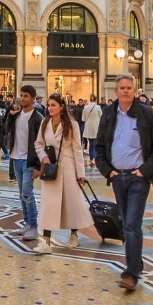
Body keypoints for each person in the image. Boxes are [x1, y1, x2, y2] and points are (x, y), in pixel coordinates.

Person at [95, 74, 153, 293]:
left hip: (138, 179)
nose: (125, 91)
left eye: (129, 87)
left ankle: (131, 273)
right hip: (118, 178)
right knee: (126, 223)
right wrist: (108, 171)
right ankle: (136, 263)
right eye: (121, 88)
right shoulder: (108, 115)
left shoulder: (148, 115)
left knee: (131, 224)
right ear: (115, 91)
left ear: (134, 90)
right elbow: (99, 147)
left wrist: (144, 171)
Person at [31, 93, 95, 253]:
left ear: (61, 106)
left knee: (71, 202)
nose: (50, 108)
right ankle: (46, 241)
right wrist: (43, 157)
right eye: (49, 105)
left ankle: (74, 236)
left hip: (68, 166)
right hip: (50, 168)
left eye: (54, 105)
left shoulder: (71, 124)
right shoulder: (45, 123)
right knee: (48, 204)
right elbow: (38, 143)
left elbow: (77, 149)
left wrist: (80, 173)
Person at [6, 85, 44, 241]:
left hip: (29, 160)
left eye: (26, 96)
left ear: (33, 98)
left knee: (28, 193)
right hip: (16, 157)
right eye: (21, 95)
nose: (22, 98)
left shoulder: (38, 118)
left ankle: (34, 226)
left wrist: (38, 166)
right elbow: (6, 129)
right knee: (22, 194)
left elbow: (42, 142)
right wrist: (10, 115)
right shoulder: (16, 115)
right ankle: (27, 223)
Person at [83, 98, 102, 164]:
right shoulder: (98, 107)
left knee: (91, 144)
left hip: (88, 127)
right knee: (95, 143)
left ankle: (91, 158)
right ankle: (94, 158)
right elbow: (101, 117)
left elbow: (83, 118)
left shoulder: (86, 107)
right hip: (96, 126)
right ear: (95, 100)